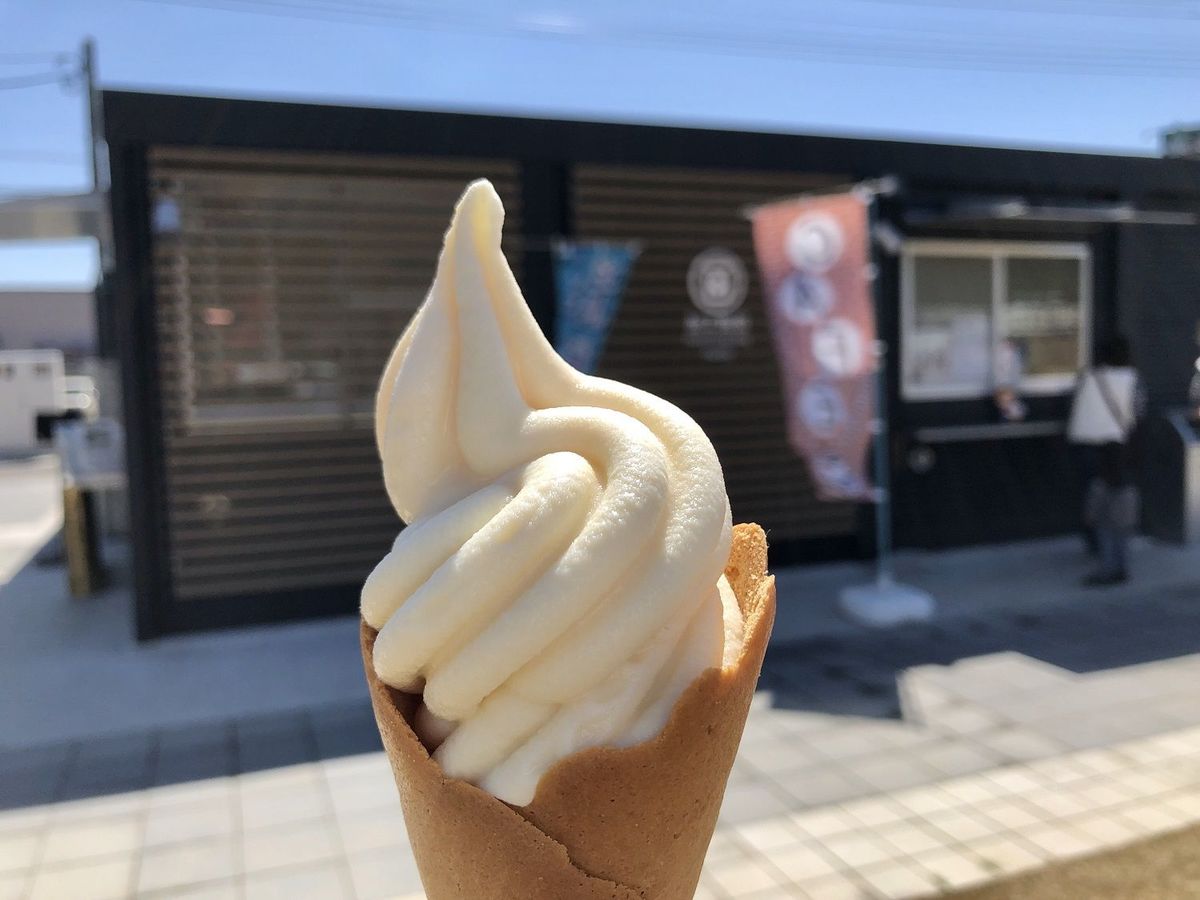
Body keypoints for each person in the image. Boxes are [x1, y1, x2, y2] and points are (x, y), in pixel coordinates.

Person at [1067, 335, 1144, 586]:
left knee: (1098, 510)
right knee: (1120, 510)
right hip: (1118, 451)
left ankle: (1106, 564)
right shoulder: (1133, 379)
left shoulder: (1087, 378)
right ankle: (1118, 564)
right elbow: (1137, 413)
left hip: (1089, 449)